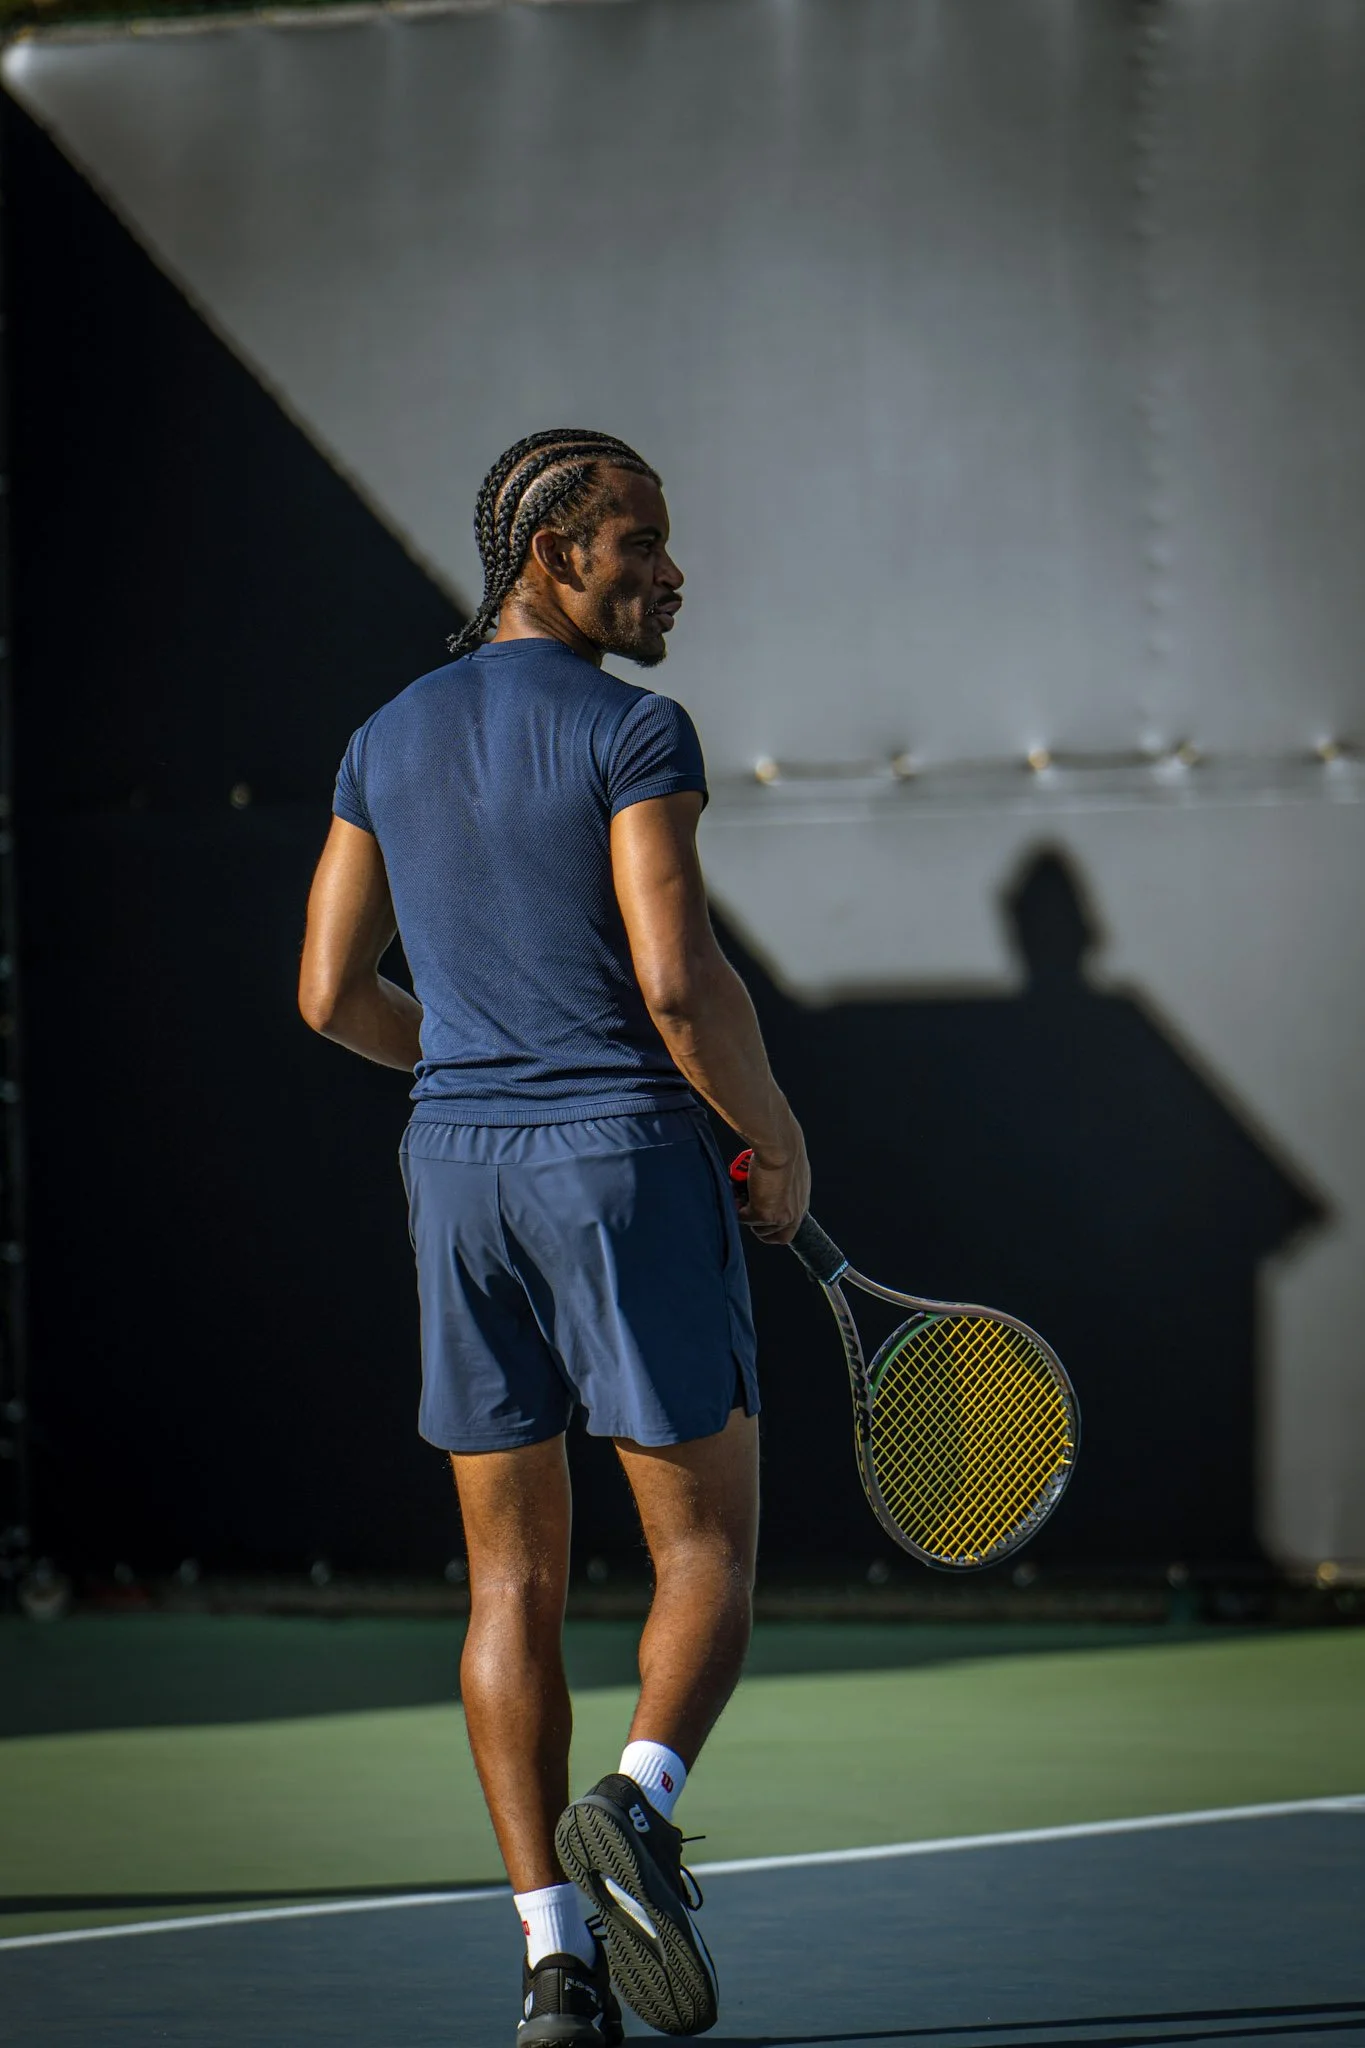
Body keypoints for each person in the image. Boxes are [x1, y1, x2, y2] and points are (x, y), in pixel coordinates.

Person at [298, 429, 810, 2045]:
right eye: (638, 543)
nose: (669, 571)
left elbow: (326, 996)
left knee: (507, 1582)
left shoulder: (384, 735)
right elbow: (679, 985)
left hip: (452, 1178)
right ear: (550, 557)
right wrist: (774, 1135)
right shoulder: (635, 728)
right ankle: (642, 1805)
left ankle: (549, 1967)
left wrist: (468, 1066)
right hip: (625, 1169)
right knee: (706, 1551)